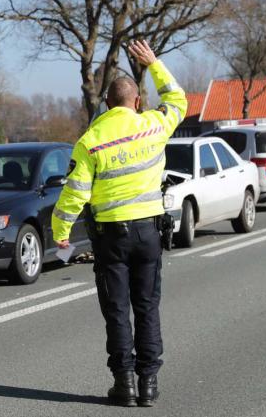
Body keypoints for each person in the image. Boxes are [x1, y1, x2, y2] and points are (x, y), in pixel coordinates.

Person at [51, 40, 187, 408]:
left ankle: (124, 383)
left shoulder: (90, 141)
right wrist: (154, 64)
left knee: (116, 309)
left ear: (106, 105)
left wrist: (61, 233)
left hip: (112, 238)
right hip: (148, 233)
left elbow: (74, 195)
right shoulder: (153, 126)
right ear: (136, 102)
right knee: (146, 306)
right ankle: (149, 384)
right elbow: (178, 101)